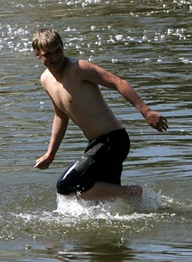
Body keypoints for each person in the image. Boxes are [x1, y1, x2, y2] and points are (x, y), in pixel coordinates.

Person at [31, 29, 168, 201]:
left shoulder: (78, 68)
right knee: (106, 203)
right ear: (37, 55)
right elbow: (60, 116)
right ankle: (137, 202)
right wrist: (50, 154)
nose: (55, 57)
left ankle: (133, 191)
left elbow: (118, 82)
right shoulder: (45, 80)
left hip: (113, 141)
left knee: (67, 185)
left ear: (63, 47)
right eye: (48, 54)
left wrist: (146, 111)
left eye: (58, 50)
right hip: (96, 144)